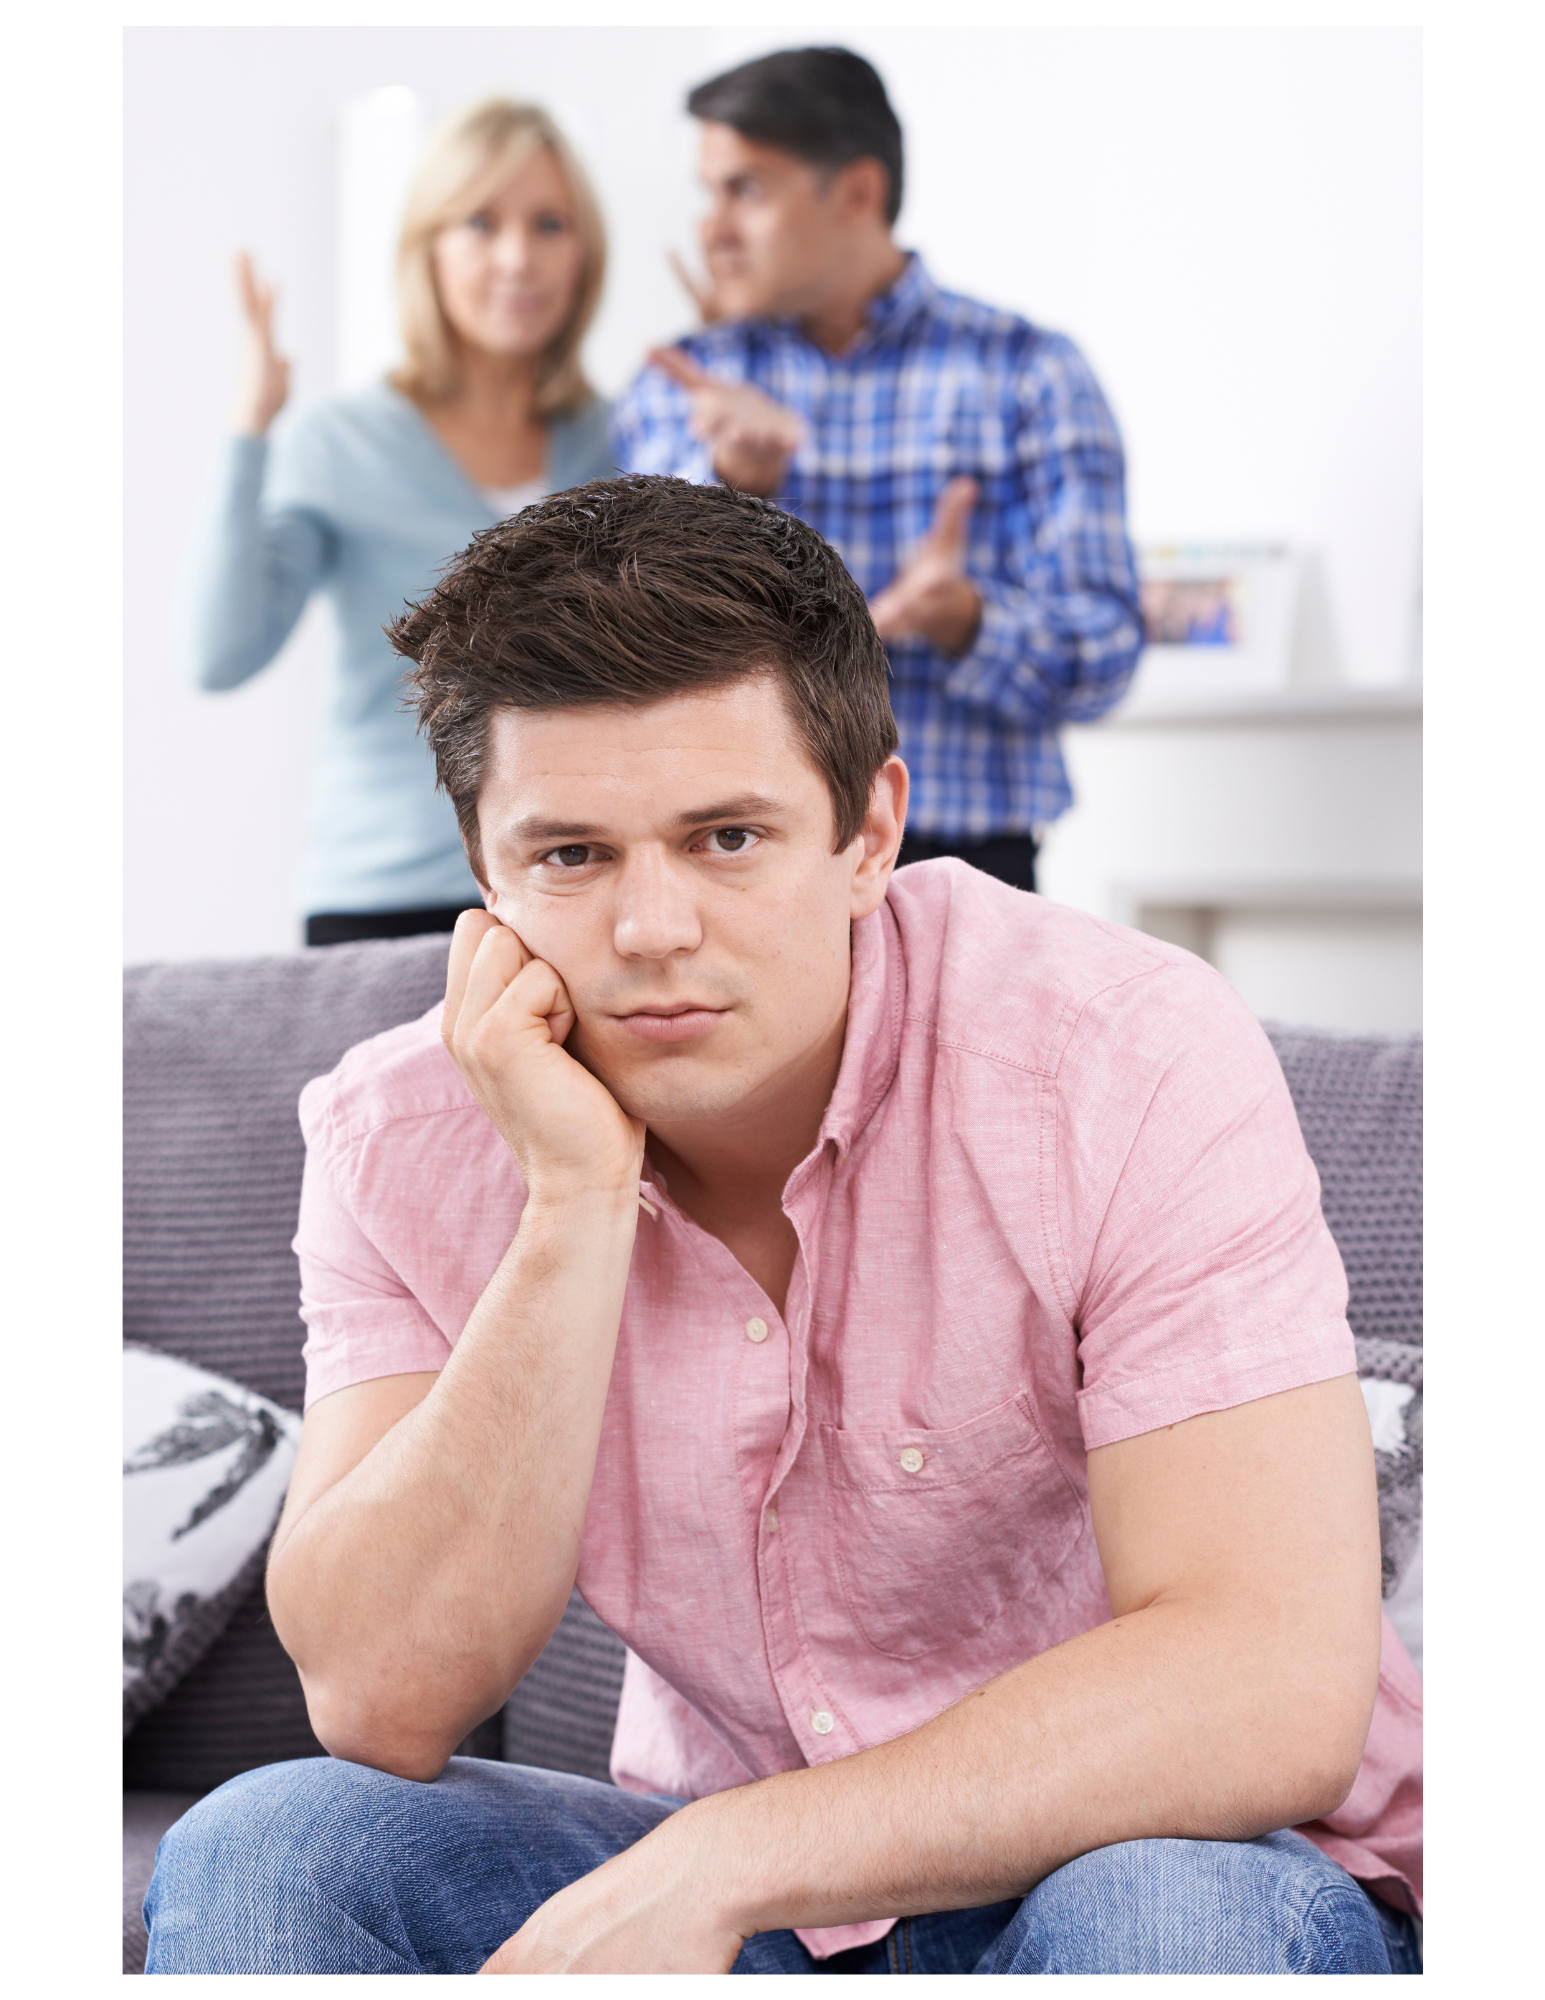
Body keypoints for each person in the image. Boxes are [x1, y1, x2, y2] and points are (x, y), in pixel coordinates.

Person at [144, 479, 1421, 1976]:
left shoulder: (1117, 1055)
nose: (653, 930)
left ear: (869, 829)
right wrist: (569, 1205)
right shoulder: (399, 1134)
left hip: (1157, 1856)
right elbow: (380, 1698)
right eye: (571, 855)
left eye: (728, 837)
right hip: (737, 1885)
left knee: (1160, 1914)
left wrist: (730, 1861)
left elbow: (1264, 1678)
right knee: (275, 1845)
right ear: (485, 875)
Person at [611, 46, 1144, 899]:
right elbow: (633, 646)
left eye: (745, 189)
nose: (711, 228)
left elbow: (1107, 657)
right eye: (707, 192)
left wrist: (966, 618)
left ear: (857, 192)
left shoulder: (1027, 372)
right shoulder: (685, 390)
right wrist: (727, 488)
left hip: (970, 863)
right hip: (735, 858)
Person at [192, 98, 616, 947]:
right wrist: (250, 431)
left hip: (565, 886)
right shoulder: (337, 440)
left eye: (549, 224)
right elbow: (221, 653)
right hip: (380, 893)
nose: (516, 258)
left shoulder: (621, 440)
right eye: (479, 222)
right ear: (426, 247)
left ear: (585, 253)